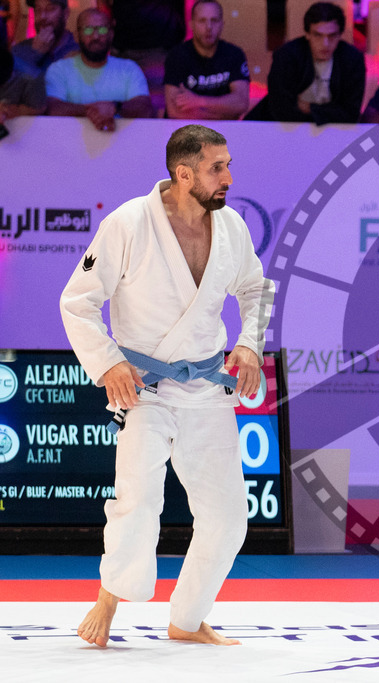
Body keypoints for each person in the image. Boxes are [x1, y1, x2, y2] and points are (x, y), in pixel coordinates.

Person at [61, 124, 272, 648]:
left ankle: (187, 618)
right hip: (144, 387)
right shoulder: (129, 223)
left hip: (206, 386)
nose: (228, 177)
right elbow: (79, 301)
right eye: (216, 167)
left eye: (227, 165)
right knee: (137, 500)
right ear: (183, 173)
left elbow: (255, 288)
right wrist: (108, 363)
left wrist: (248, 343)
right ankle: (109, 600)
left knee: (228, 517)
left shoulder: (231, 229)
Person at [245, 2, 365, 125]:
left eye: (332, 36)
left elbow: (351, 114)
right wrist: (327, 113)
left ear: (340, 35)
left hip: (330, 132)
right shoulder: (287, 55)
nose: (325, 43)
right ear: (307, 34)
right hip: (274, 128)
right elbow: (280, 108)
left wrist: (309, 108)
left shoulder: (352, 59)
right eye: (318, 35)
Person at [45, 9, 154, 131]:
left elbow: (145, 109)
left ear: (111, 35)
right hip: (69, 146)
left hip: (124, 146)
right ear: (76, 36)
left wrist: (114, 108)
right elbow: (51, 108)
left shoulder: (129, 69)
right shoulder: (58, 70)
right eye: (88, 30)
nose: (96, 36)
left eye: (102, 29)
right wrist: (93, 110)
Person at [163, 0, 249, 120]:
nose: (208, 27)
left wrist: (198, 101)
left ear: (222, 24)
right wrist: (224, 112)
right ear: (191, 24)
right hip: (184, 132)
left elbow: (241, 103)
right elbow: (174, 111)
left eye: (214, 20)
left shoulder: (234, 54)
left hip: (225, 132)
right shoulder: (176, 56)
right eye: (202, 21)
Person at [98, 0, 186, 112]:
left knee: (160, 113)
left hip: (162, 51)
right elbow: (102, 4)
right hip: (125, 50)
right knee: (122, 114)